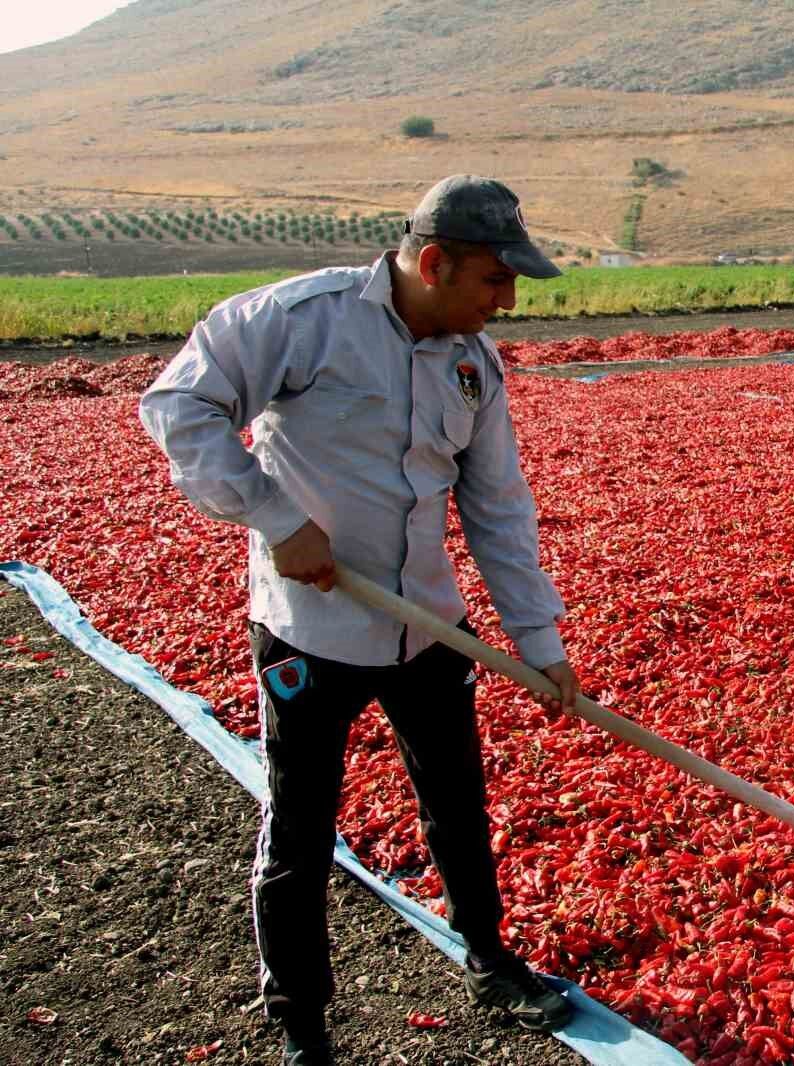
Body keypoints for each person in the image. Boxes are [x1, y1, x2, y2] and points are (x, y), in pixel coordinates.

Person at [140, 175, 578, 1066]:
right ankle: (301, 1018)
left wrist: (540, 642)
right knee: (302, 820)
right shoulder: (303, 321)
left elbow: (497, 509)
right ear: (433, 263)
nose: (508, 301)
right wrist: (273, 517)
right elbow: (179, 405)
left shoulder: (472, 364)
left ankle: (490, 960)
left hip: (426, 625)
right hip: (314, 625)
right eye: (496, 280)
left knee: (457, 800)